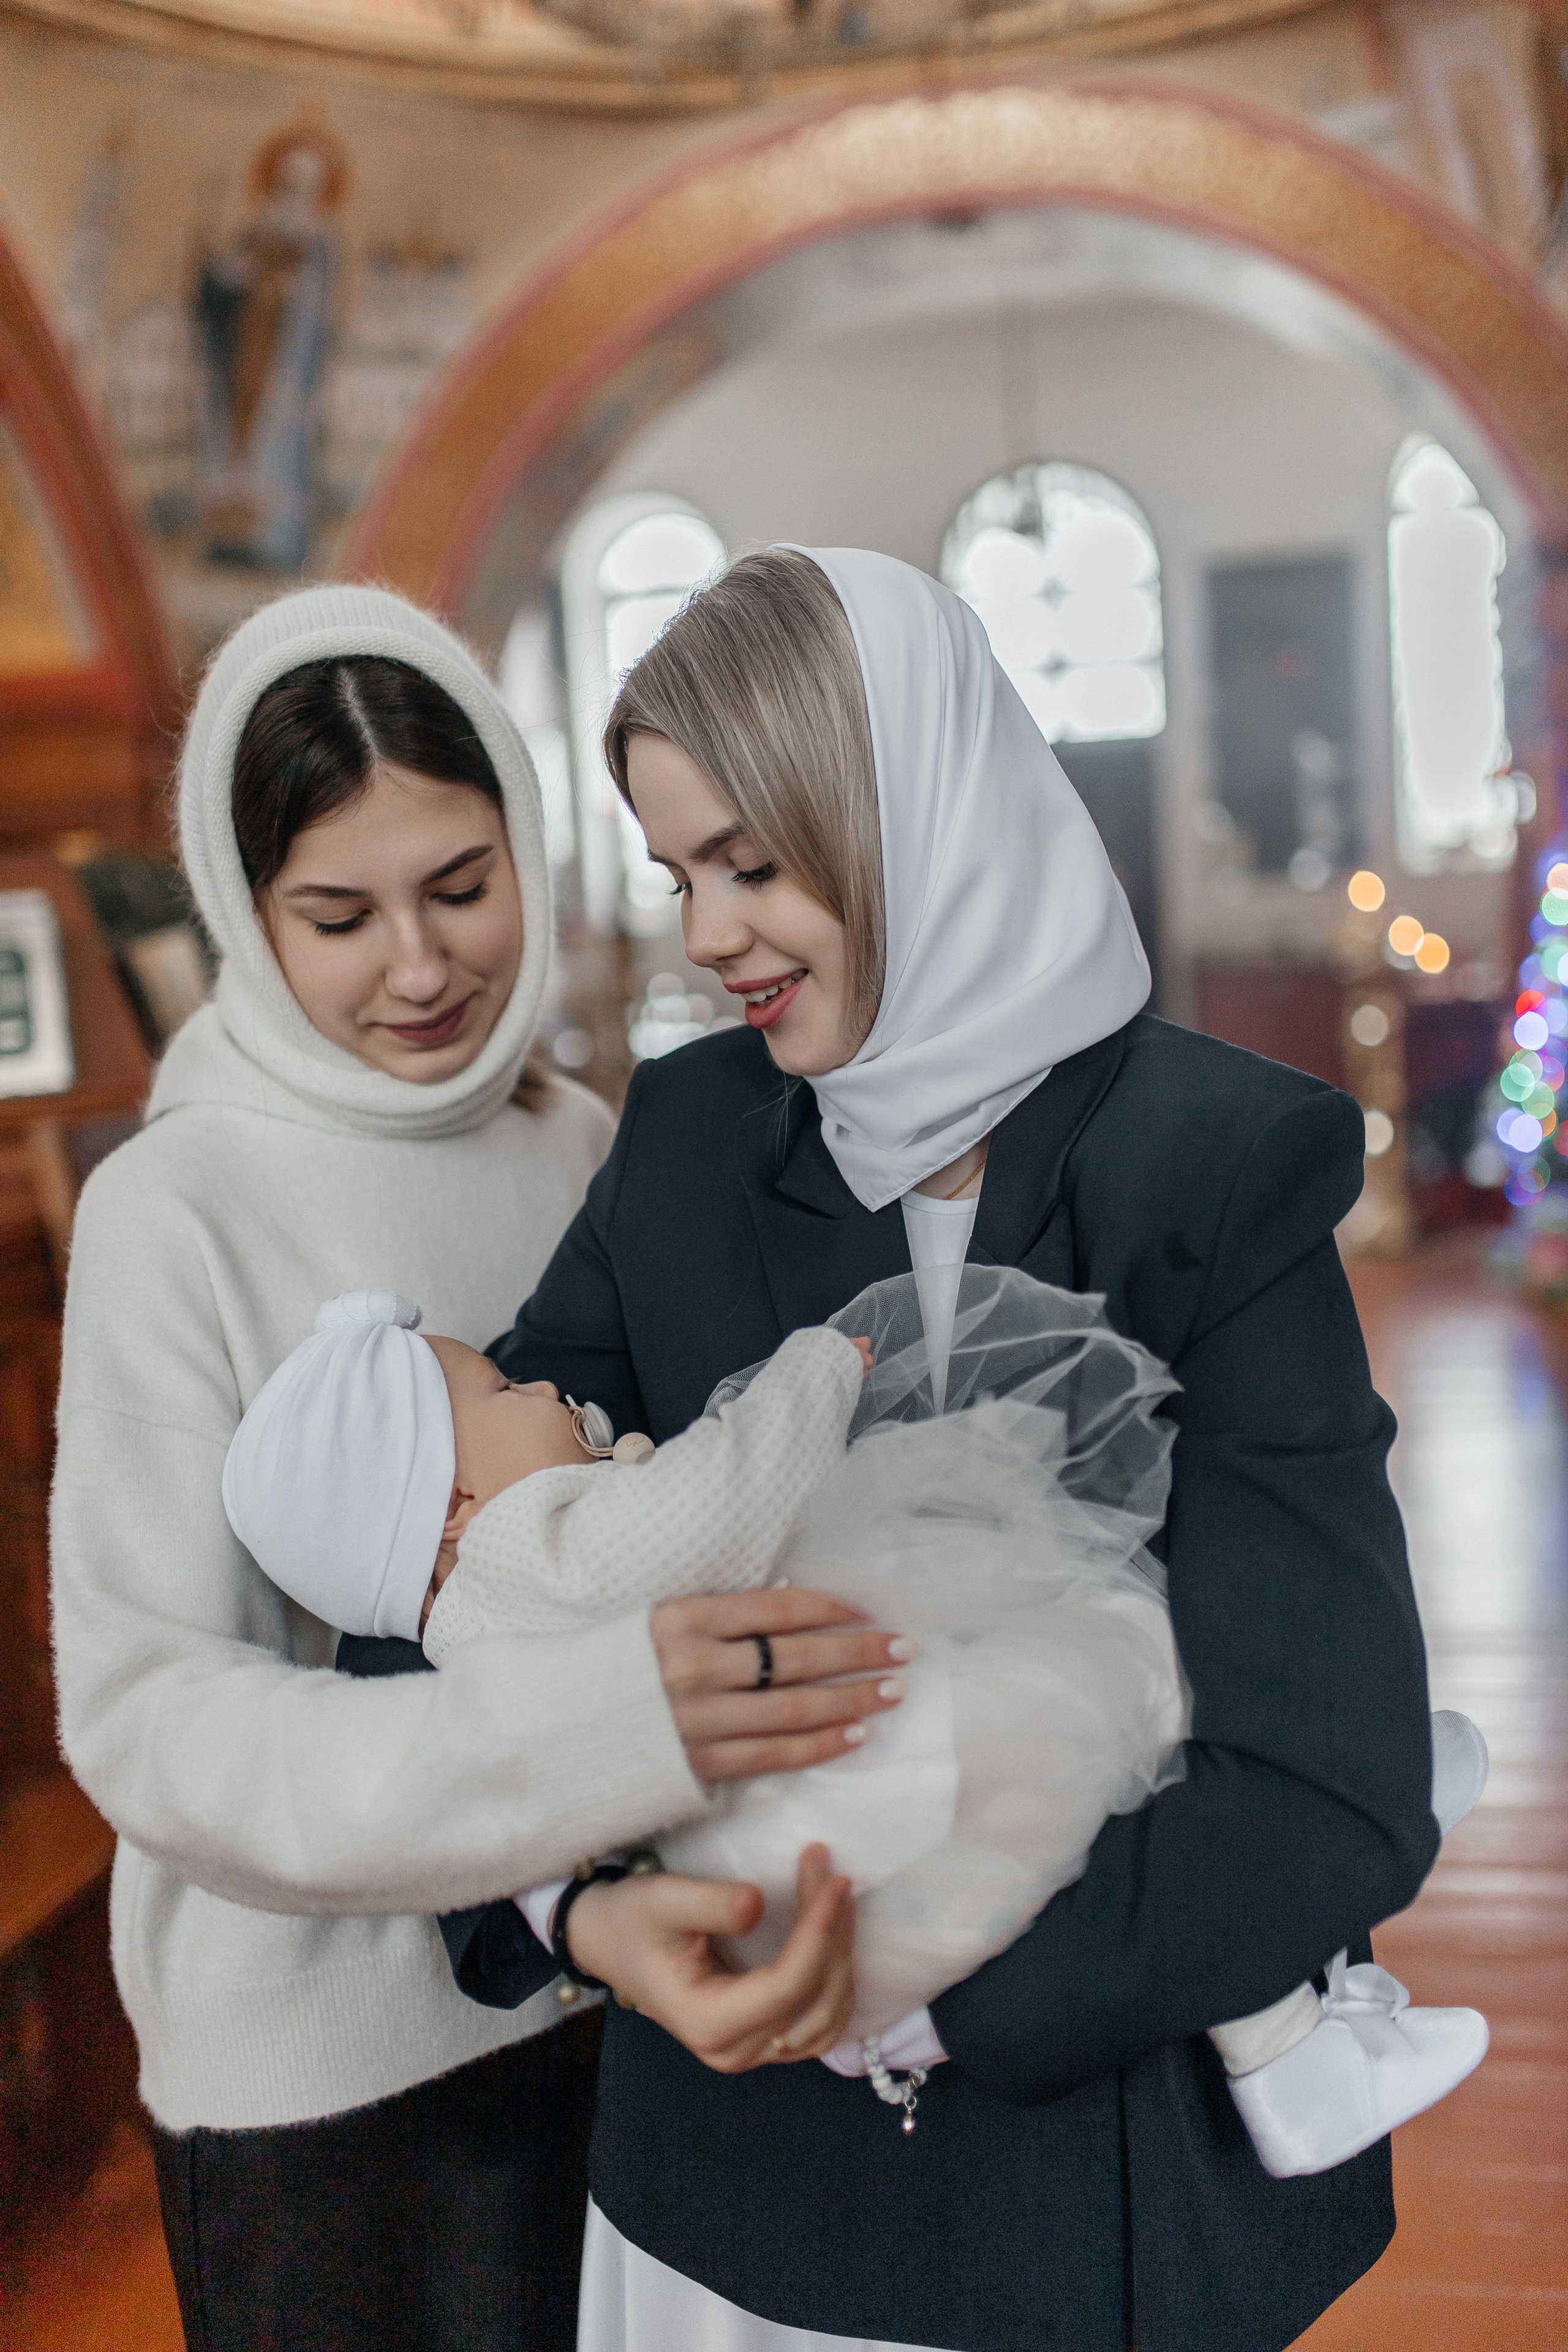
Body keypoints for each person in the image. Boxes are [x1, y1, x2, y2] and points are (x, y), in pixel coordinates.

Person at [461, 546, 1446, 2352]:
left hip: (1088, 2166)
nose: (708, 937)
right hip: (729, 2178)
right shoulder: (685, 1139)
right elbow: (463, 1557)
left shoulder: (1211, 1166)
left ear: (915, 815)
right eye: (681, 873)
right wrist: (591, 1914)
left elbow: (1329, 1779)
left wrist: (905, 1998)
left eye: (757, 865)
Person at [48, 584, 906, 2352]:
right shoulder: (176, 1205)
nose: (424, 967)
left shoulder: (580, 1143)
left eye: (461, 888)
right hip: (333, 2089)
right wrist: (592, 1750)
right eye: (337, 916)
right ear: (239, 906)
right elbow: (154, 1720)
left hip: (635, 1998)